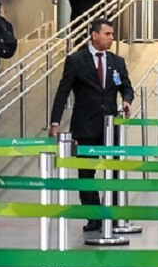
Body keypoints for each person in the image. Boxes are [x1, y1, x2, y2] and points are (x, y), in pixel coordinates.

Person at [49, 19, 133, 231]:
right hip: (85, 126)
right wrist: (55, 121)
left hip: (110, 125)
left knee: (115, 171)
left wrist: (126, 100)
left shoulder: (117, 61)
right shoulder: (76, 60)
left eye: (112, 34)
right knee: (86, 173)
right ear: (94, 35)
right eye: (108, 34)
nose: (112, 38)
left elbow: (126, 87)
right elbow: (63, 91)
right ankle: (93, 215)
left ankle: (113, 214)